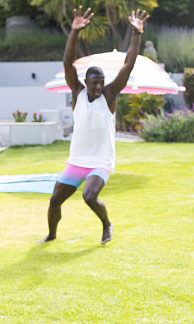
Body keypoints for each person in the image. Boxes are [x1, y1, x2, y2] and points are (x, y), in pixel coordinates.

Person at [39, 6, 149, 245]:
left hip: (101, 162)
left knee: (89, 197)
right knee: (55, 200)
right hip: (76, 161)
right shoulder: (77, 93)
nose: (99, 87)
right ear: (86, 82)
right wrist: (74, 31)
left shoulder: (109, 96)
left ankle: (106, 224)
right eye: (94, 83)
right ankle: (51, 235)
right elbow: (68, 64)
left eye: (101, 82)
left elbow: (128, 65)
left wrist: (136, 33)